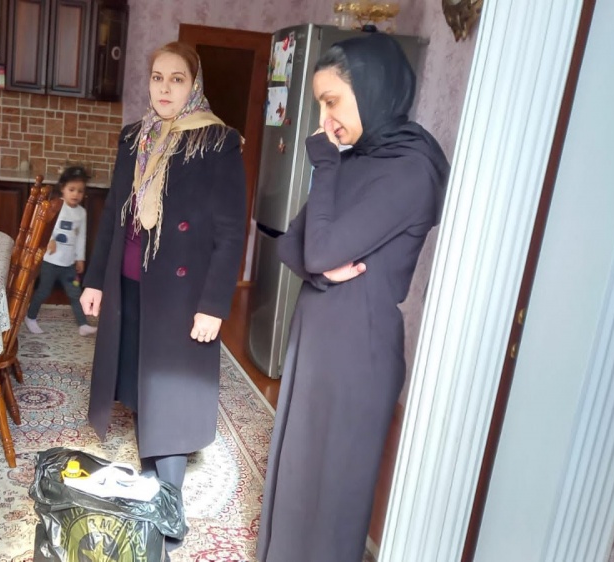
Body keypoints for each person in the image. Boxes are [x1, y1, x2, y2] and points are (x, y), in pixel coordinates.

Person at [256, 33, 450, 562]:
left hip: (356, 351)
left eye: (332, 102)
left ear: (372, 88)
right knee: (298, 470)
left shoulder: (411, 171)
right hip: (320, 335)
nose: (325, 121)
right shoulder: (359, 158)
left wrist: (325, 166)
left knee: (332, 490)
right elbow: (291, 246)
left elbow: (316, 250)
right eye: (320, 105)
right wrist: (322, 274)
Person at [80, 41, 247, 515]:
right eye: (157, 77)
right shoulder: (135, 137)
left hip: (182, 293)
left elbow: (231, 232)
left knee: (170, 396)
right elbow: (114, 214)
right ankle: (151, 485)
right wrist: (95, 280)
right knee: (141, 386)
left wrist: (214, 305)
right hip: (130, 283)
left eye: (177, 79)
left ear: (194, 84)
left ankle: (169, 512)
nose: (165, 88)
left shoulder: (217, 142)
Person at [24, 165, 97, 336]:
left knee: (75, 293)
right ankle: (30, 317)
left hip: (69, 265)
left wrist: (80, 258)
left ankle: (83, 324)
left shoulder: (81, 213)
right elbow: (44, 226)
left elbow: (81, 237)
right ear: (62, 188)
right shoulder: (56, 206)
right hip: (50, 261)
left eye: (80, 191)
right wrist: (49, 240)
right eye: (71, 189)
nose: (75, 194)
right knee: (43, 291)